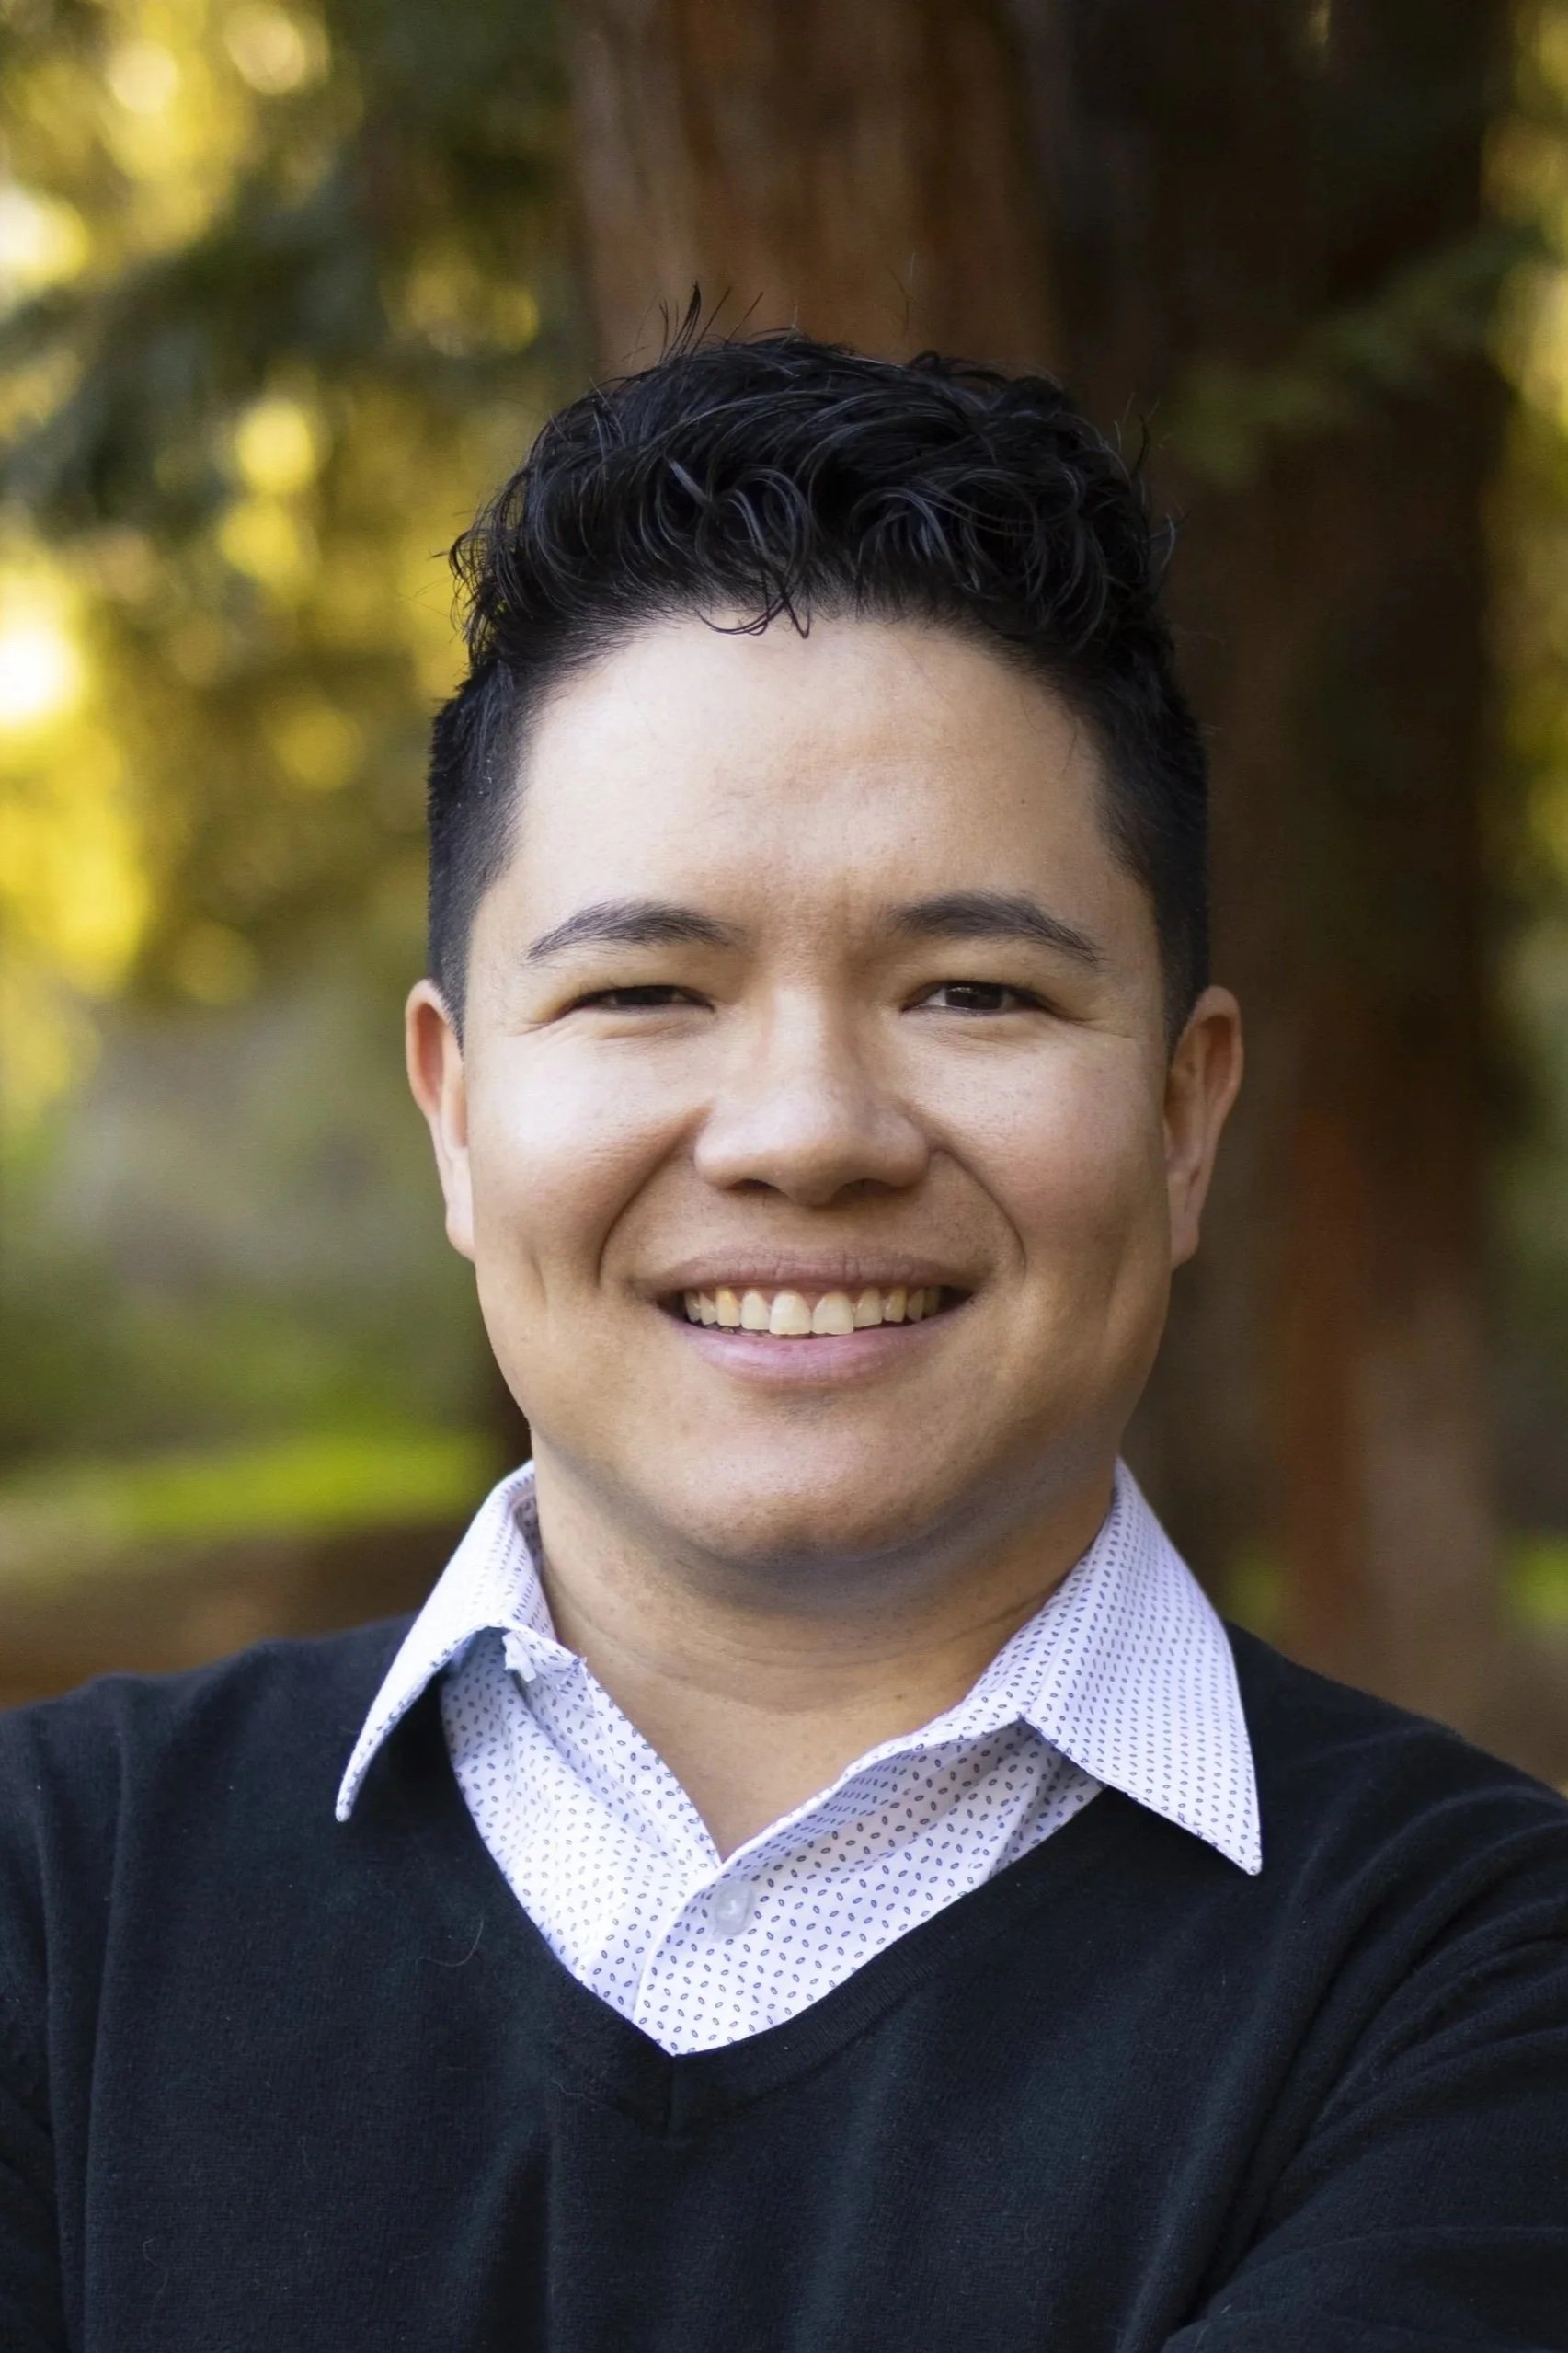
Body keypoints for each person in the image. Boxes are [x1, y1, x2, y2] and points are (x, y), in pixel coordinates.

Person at [2, 329, 1565, 2353]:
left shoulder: (1483, 1986)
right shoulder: (58, 1902)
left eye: (974, 992)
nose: (808, 1133)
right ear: (456, 1112)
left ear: (1184, 1119)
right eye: (649, 989)